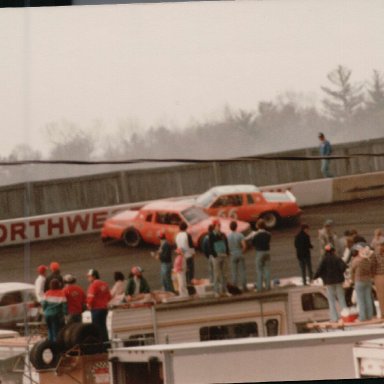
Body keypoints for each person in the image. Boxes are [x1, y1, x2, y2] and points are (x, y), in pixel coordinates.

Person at [314, 244, 347, 322]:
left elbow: (319, 270)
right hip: (338, 281)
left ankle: (334, 318)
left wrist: (314, 277)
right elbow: (343, 266)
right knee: (341, 299)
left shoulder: (323, 259)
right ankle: (345, 316)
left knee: (331, 301)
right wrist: (340, 273)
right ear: (333, 250)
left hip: (328, 282)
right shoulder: (337, 258)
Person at [351, 243, 374, 321]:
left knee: (360, 300)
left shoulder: (356, 260)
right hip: (368, 281)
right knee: (368, 298)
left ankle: (362, 317)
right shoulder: (368, 260)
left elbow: (352, 270)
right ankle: (369, 316)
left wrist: (352, 280)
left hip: (359, 281)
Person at [86, 269, 111, 342]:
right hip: (104, 309)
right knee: (103, 327)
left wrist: (88, 305)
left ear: (93, 276)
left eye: (89, 277)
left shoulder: (93, 285)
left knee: (97, 328)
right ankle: (106, 343)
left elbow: (90, 297)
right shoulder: (105, 284)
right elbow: (109, 297)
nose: (88, 278)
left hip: (96, 309)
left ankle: (100, 344)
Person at [247, 219, 272, 292]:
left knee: (259, 270)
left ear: (258, 226)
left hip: (259, 252)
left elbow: (253, 243)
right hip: (267, 252)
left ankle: (260, 287)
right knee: (267, 270)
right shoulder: (268, 234)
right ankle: (268, 286)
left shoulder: (255, 234)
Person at [209, 219, 230, 295]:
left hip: (223, 255)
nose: (219, 227)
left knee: (225, 274)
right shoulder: (211, 235)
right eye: (218, 225)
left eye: (219, 225)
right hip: (217, 256)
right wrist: (214, 254)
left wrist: (227, 252)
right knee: (217, 274)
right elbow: (210, 246)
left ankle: (225, 290)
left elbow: (226, 243)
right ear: (214, 226)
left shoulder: (223, 234)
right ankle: (216, 291)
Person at [227, 220, 247, 291]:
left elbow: (227, 247)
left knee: (234, 271)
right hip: (239, 252)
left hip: (232, 254)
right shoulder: (240, 235)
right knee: (242, 271)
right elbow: (244, 245)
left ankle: (234, 286)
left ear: (230, 228)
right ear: (236, 227)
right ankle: (244, 286)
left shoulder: (228, 236)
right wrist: (242, 251)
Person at [372, 238, 384, 318]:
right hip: (379, 276)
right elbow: (372, 266)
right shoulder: (375, 255)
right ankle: (383, 312)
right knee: (381, 295)